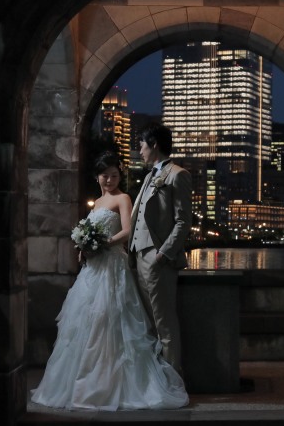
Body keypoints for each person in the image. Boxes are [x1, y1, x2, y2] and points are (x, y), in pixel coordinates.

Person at [30, 152, 188, 410]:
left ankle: (111, 383)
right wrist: (84, 247)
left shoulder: (122, 198)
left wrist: (103, 243)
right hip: (93, 269)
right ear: (97, 177)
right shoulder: (98, 202)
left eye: (114, 175)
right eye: (105, 175)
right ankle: (83, 385)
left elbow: (126, 231)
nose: (110, 180)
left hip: (113, 266)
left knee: (111, 320)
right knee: (85, 323)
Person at [129, 123, 192, 377]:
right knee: (149, 323)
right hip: (138, 255)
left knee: (164, 323)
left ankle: (172, 381)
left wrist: (163, 254)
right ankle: (155, 380)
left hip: (157, 258)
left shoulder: (178, 174)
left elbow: (183, 221)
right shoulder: (148, 176)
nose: (140, 151)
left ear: (154, 144)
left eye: (142, 145)